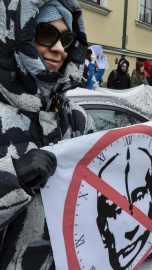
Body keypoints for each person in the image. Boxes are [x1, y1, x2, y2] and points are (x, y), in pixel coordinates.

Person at [0, 1, 95, 269]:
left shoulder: (77, 118)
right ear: (15, 36)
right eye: (45, 34)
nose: (59, 49)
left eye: (66, 39)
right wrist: (13, 177)